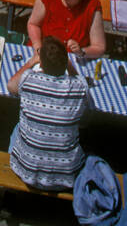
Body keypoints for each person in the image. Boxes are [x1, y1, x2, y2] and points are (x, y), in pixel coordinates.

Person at [8, 36, 91, 190]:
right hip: (66, 177)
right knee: (76, 126)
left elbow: (11, 86)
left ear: (42, 65)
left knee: (17, 128)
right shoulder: (79, 87)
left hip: (26, 172)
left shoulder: (28, 79)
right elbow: (80, 81)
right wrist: (69, 65)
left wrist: (32, 61)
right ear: (65, 62)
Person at [27, 0, 107, 59]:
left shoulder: (92, 4)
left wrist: (82, 52)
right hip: (44, 52)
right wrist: (38, 47)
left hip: (72, 58)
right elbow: (33, 24)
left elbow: (99, 47)